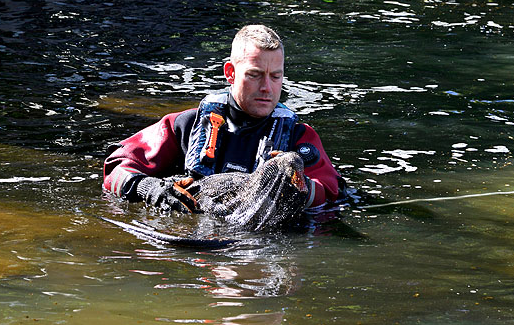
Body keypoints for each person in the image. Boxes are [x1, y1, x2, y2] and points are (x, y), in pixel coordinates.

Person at [103, 25, 344, 213]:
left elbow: (331, 193)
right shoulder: (184, 126)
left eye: (276, 76)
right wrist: (150, 189)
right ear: (230, 72)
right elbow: (115, 169)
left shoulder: (299, 137)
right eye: (255, 75)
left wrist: (296, 187)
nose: (267, 88)